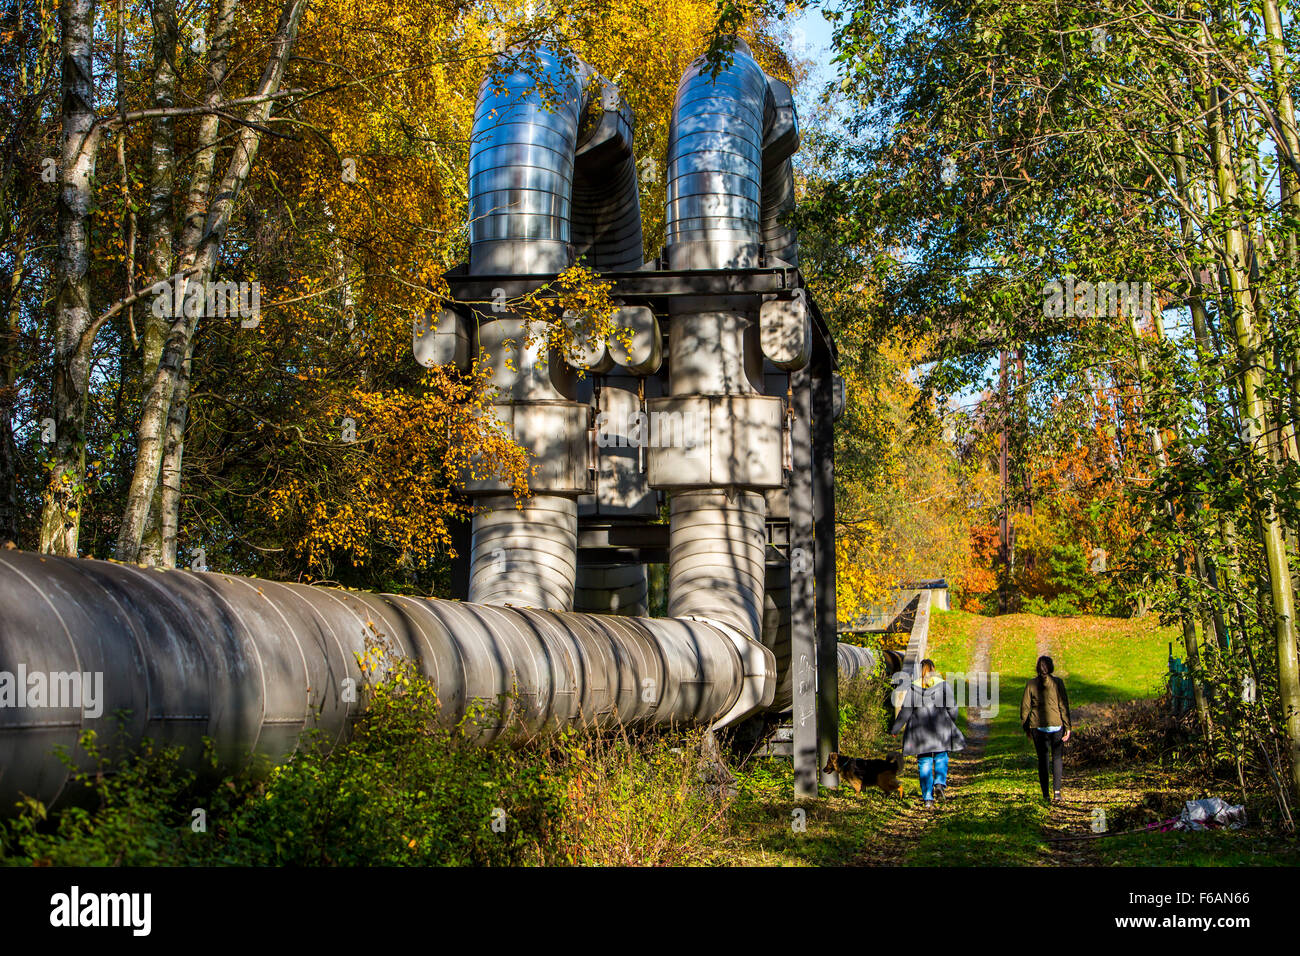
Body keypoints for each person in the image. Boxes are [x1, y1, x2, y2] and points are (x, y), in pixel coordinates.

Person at [889, 658, 966, 808]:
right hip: (941, 730)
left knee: (924, 762)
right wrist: (951, 720)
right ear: (934, 669)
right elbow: (952, 708)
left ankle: (928, 799)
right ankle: (939, 783)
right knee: (941, 757)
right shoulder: (943, 686)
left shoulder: (913, 687)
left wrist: (895, 729)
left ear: (920, 670)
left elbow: (905, 711)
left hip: (920, 734)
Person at [1021, 655, 1072, 803]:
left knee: (1042, 760)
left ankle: (1045, 795)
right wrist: (1067, 726)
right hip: (1057, 725)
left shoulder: (1031, 684)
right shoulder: (1057, 683)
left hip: (1038, 727)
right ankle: (1057, 792)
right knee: (1057, 758)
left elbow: (1024, 708)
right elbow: (1063, 705)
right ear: (1051, 667)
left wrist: (1026, 728)